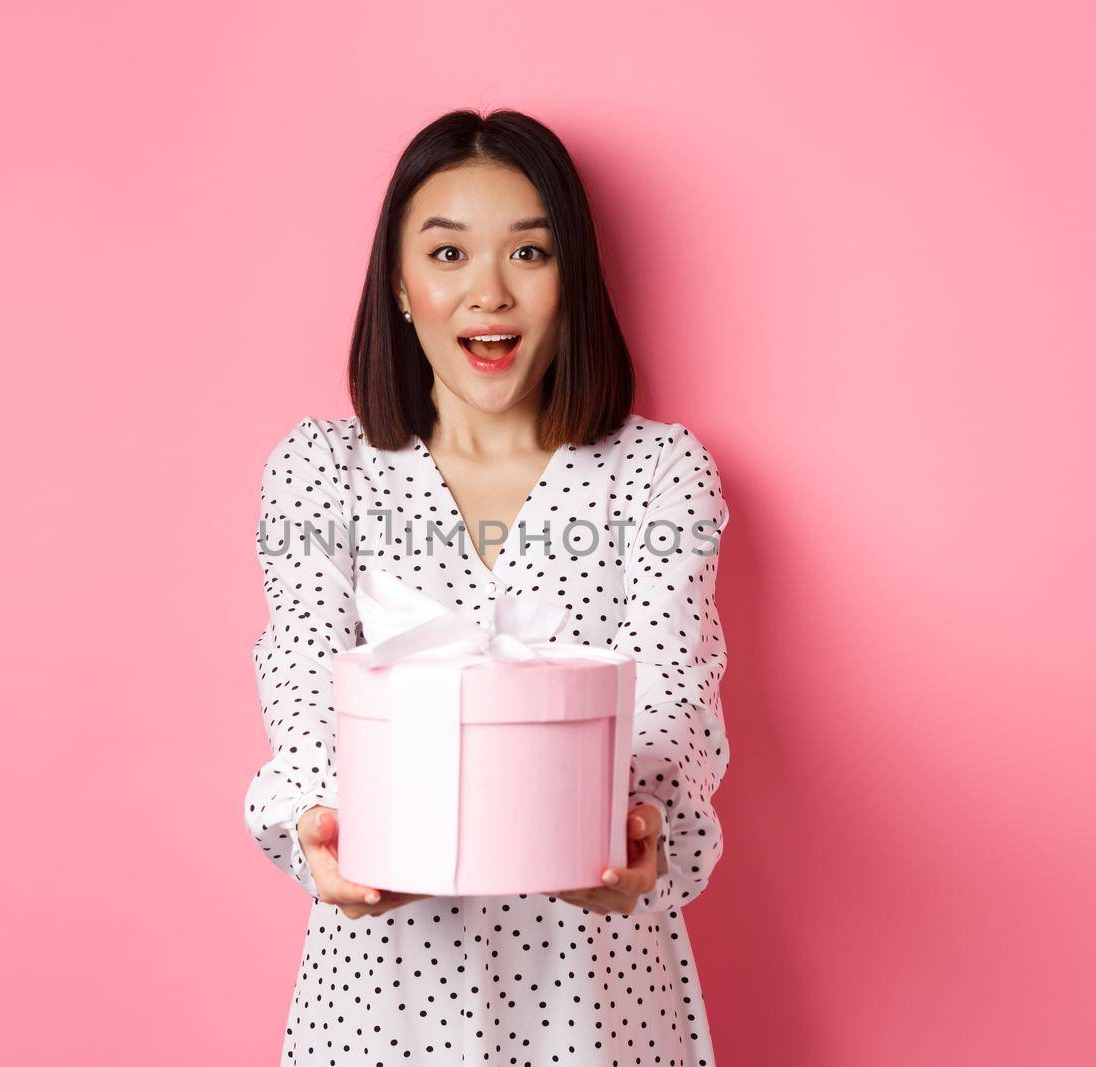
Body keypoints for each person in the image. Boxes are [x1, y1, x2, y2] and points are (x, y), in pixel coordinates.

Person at [243, 107, 731, 1066]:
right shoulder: (323, 473)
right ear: (399, 281)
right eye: (450, 253)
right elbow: (302, 704)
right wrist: (316, 831)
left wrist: (646, 842)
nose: (490, 295)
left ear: (572, 277)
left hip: (595, 1000)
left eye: (531, 253)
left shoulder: (659, 475)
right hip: (379, 1004)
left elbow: (675, 718)